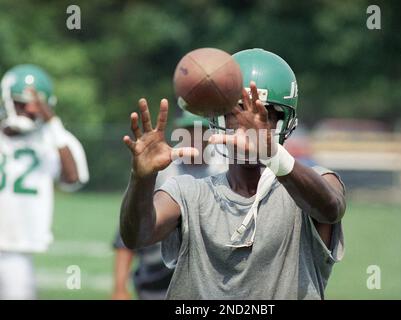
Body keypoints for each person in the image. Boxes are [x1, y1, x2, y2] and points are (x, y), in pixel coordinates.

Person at [120, 48, 346, 299]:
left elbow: (330, 209)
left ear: (284, 123)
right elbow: (137, 235)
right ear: (218, 120)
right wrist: (142, 178)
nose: (246, 125)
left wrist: (271, 153)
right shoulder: (188, 192)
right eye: (235, 113)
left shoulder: (315, 184)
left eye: (263, 115)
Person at [112, 111, 226, 300]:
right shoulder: (161, 166)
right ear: (179, 130)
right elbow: (127, 232)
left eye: (201, 131)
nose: (195, 137)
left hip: (208, 282)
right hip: (156, 279)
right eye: (189, 130)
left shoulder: (224, 169)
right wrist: (119, 287)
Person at [0, 64, 89, 299]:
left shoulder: (53, 140)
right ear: (7, 100)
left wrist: (52, 122)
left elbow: (73, 179)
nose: (29, 111)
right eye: (21, 103)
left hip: (14, 249)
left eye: (37, 106)